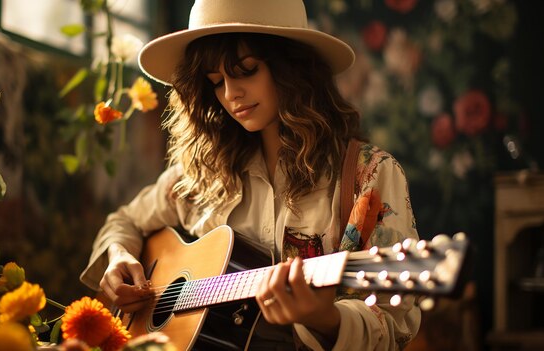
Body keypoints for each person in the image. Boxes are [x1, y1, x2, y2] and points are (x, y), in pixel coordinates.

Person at [81, 0, 421, 350]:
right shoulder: (202, 173)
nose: (230, 94)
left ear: (292, 67)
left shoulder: (369, 175)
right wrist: (119, 254)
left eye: (246, 70)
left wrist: (326, 318)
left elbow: (391, 326)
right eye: (215, 81)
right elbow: (124, 221)